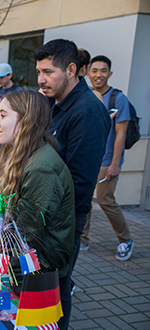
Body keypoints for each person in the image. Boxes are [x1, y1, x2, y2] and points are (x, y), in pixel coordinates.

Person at [34, 38, 110, 330]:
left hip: (61, 221)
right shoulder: (55, 103)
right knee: (44, 286)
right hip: (43, 214)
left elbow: (79, 182)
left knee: (56, 289)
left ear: (71, 69)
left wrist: (40, 212)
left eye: (48, 72)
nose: (41, 80)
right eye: (39, 71)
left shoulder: (87, 111)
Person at [0, 90, 75, 324]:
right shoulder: (24, 154)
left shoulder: (41, 167)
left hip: (37, 273)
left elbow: (26, 237)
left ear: (25, 120)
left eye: (3, 115)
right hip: (25, 266)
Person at [81, 55, 133, 260]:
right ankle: (82, 239)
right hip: (88, 159)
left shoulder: (118, 99)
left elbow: (121, 133)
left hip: (107, 160)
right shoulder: (88, 96)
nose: (98, 75)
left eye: (103, 71)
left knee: (105, 200)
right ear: (88, 73)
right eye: (94, 70)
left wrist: (114, 164)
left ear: (109, 74)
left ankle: (125, 239)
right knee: (84, 198)